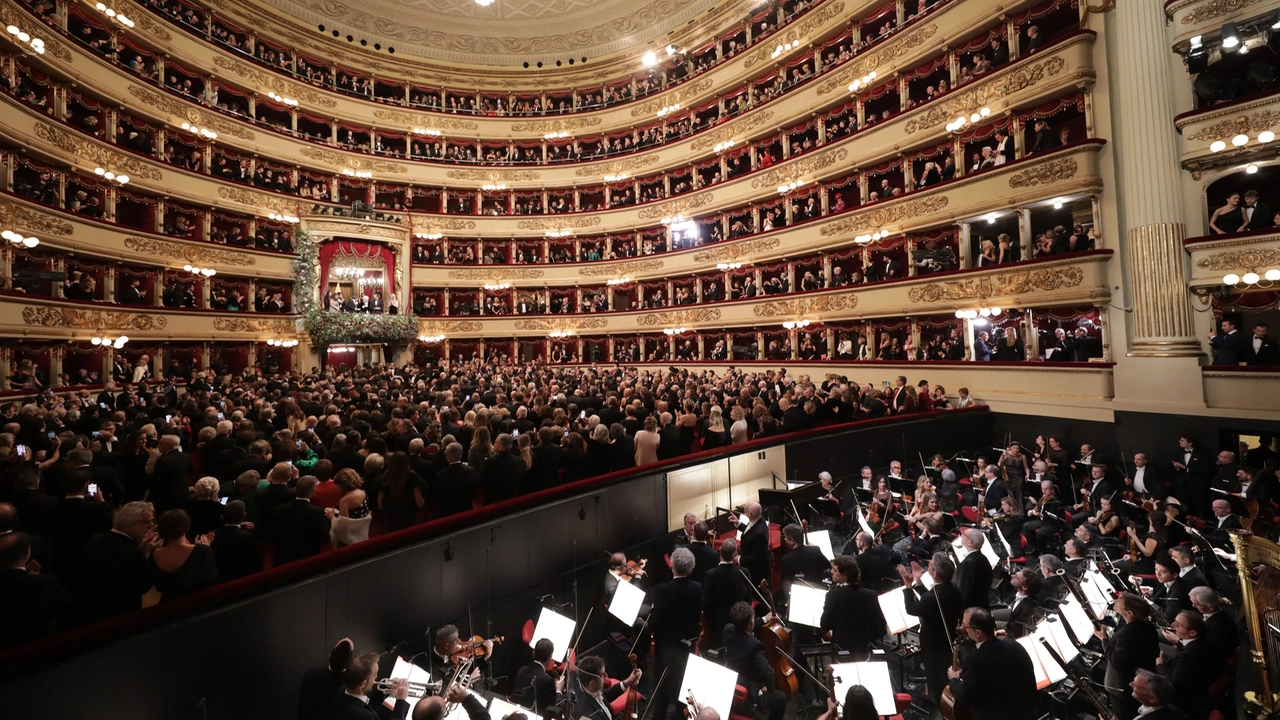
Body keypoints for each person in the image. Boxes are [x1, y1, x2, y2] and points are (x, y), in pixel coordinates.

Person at [945, 607, 1038, 720]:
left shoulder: (975, 660)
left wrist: (954, 679)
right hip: (1027, 713)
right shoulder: (1013, 645)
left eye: (965, 626)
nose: (962, 629)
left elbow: (966, 696)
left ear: (978, 633)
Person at [899, 553, 963, 702]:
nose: (928, 565)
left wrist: (908, 585)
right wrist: (918, 581)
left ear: (935, 573)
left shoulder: (934, 597)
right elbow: (931, 600)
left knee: (936, 676)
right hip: (948, 635)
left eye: (931, 564)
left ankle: (941, 700)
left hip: (933, 642)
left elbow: (912, 609)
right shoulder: (953, 587)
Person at [648, 547, 702, 719]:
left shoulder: (662, 590)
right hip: (687, 647)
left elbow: (652, 625)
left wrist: (653, 611)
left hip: (666, 649)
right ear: (690, 568)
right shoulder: (697, 588)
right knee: (683, 689)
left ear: (672, 566)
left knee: (661, 693)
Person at [0, 532, 73, 649]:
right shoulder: (44, 583)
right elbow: (66, 604)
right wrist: (34, 577)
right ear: (27, 554)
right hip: (38, 646)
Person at [1096, 593, 1160, 720]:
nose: (1116, 601)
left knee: (1125, 715)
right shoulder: (1148, 626)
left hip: (1123, 687)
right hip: (1143, 676)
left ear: (1129, 613)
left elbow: (1116, 661)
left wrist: (1104, 639)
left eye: (1119, 601)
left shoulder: (1125, 634)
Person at [723, 601, 786, 720]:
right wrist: (770, 688)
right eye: (753, 619)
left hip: (732, 683)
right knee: (780, 697)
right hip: (749, 694)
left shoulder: (727, 630)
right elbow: (768, 673)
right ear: (749, 625)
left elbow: (743, 628)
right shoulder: (754, 645)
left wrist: (764, 619)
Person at [820, 555, 887, 661]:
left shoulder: (833, 596)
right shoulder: (870, 595)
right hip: (865, 651)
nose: (831, 572)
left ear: (844, 575)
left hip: (841, 651)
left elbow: (825, 625)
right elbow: (880, 629)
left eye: (835, 570)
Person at [1158, 610, 1222, 720]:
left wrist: (1159, 665)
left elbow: (1172, 685)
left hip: (1186, 704)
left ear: (1192, 633)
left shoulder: (1189, 656)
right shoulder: (1202, 642)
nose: (1173, 625)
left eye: (1178, 625)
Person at [149, 509, 218, 601]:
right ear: (186, 527)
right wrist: (204, 549)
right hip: (195, 603)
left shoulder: (154, 553)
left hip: (167, 605)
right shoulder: (202, 550)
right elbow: (212, 578)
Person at [701, 538, 754, 650]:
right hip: (739, 624)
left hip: (718, 626)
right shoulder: (744, 572)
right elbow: (748, 600)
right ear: (735, 554)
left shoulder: (710, 574)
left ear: (720, 551)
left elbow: (707, 603)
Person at [272, 476, 331, 565]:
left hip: (283, 558)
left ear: (295, 490)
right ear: (313, 491)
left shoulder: (278, 510)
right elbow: (325, 538)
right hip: (309, 559)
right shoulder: (317, 512)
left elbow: (272, 536)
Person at [331, 653, 409, 720]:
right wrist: (401, 701)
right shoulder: (368, 717)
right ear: (363, 684)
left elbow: (365, 706)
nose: (376, 676)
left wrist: (386, 687)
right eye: (374, 674)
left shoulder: (342, 691)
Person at [298, 637, 354, 720]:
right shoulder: (351, 684)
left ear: (330, 656)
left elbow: (302, 707)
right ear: (349, 664)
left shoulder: (310, 674)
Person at [211, 500, 263, 582]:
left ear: (222, 518)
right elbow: (256, 563)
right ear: (244, 516)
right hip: (244, 579)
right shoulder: (248, 537)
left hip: (220, 579)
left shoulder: (212, 535)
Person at [511, 638, 565, 713]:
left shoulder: (521, 670)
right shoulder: (547, 681)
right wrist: (559, 691)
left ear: (534, 653)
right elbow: (555, 710)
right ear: (550, 657)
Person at [953, 528, 992, 611]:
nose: (961, 536)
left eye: (964, 535)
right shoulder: (983, 558)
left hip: (972, 613)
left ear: (970, 543)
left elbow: (963, 594)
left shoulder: (967, 564)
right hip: (982, 607)